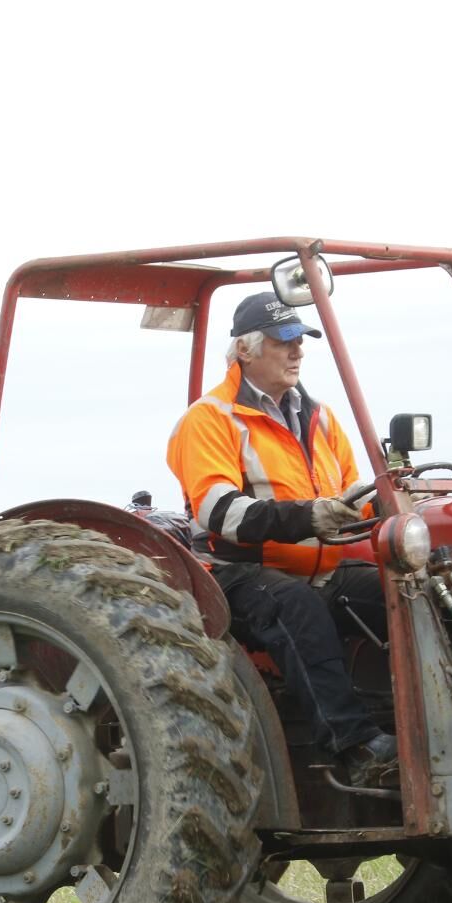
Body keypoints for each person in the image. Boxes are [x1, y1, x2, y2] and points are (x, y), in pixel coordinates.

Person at [167, 292, 397, 786]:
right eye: (283, 341)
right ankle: (354, 745)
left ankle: (443, 715)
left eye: (301, 340)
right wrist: (308, 517)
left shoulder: (323, 419)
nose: (297, 351)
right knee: (296, 606)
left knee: (402, 596)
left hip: (322, 569)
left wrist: (394, 507)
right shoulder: (209, 420)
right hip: (233, 574)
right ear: (245, 351)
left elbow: (357, 499)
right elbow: (217, 511)